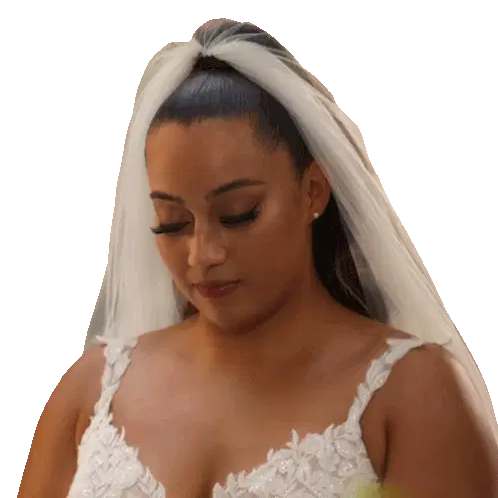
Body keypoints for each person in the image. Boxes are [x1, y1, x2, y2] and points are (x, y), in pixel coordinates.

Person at [18, 19, 498, 498]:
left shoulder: (412, 393)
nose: (203, 254)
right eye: (173, 222)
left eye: (238, 214)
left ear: (312, 190)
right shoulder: (92, 388)